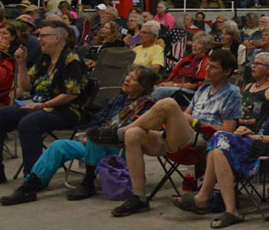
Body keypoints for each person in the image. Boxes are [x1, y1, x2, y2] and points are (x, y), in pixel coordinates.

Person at [96, 48, 242, 217]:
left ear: (227, 72)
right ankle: (139, 197)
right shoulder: (203, 89)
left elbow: (228, 132)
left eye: (213, 67)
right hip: (180, 137)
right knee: (133, 134)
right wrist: (182, 121)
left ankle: (118, 133)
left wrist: (196, 123)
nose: (207, 69)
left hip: (205, 140)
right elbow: (185, 115)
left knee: (169, 103)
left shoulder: (232, 93)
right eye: (207, 65)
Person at [172, 63, 269, 229]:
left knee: (219, 137)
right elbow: (260, 127)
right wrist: (248, 130)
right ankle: (229, 210)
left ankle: (204, 197)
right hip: (258, 144)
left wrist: (256, 136)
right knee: (218, 150)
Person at [0, 65, 158, 205]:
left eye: (133, 79)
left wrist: (95, 136)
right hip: (95, 145)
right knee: (59, 145)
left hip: (121, 151)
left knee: (96, 138)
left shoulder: (147, 106)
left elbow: (136, 133)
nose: (127, 79)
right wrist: (88, 136)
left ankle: (88, 183)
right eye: (128, 76)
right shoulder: (116, 100)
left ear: (143, 86)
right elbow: (96, 120)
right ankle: (30, 187)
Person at [0, 22, 86, 186]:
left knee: (29, 123)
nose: (38, 39)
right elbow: (27, 86)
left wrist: (42, 105)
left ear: (57, 38)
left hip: (65, 110)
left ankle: (33, 178)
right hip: (39, 105)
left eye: (43, 36)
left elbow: (71, 94)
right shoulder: (45, 59)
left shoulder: (72, 60)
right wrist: (21, 64)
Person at [152, 31, 213, 101]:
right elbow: (174, 77)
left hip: (189, 91)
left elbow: (198, 85)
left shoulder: (206, 63)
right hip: (175, 87)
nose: (194, 45)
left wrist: (174, 85)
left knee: (160, 91)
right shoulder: (186, 60)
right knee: (151, 88)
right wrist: (167, 83)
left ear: (206, 48)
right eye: (194, 42)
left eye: (199, 43)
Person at [240, 51, 269, 126]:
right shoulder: (248, 86)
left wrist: (245, 122)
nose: (253, 66)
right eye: (253, 63)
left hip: (254, 128)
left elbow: (267, 118)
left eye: (258, 64)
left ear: (268, 69)